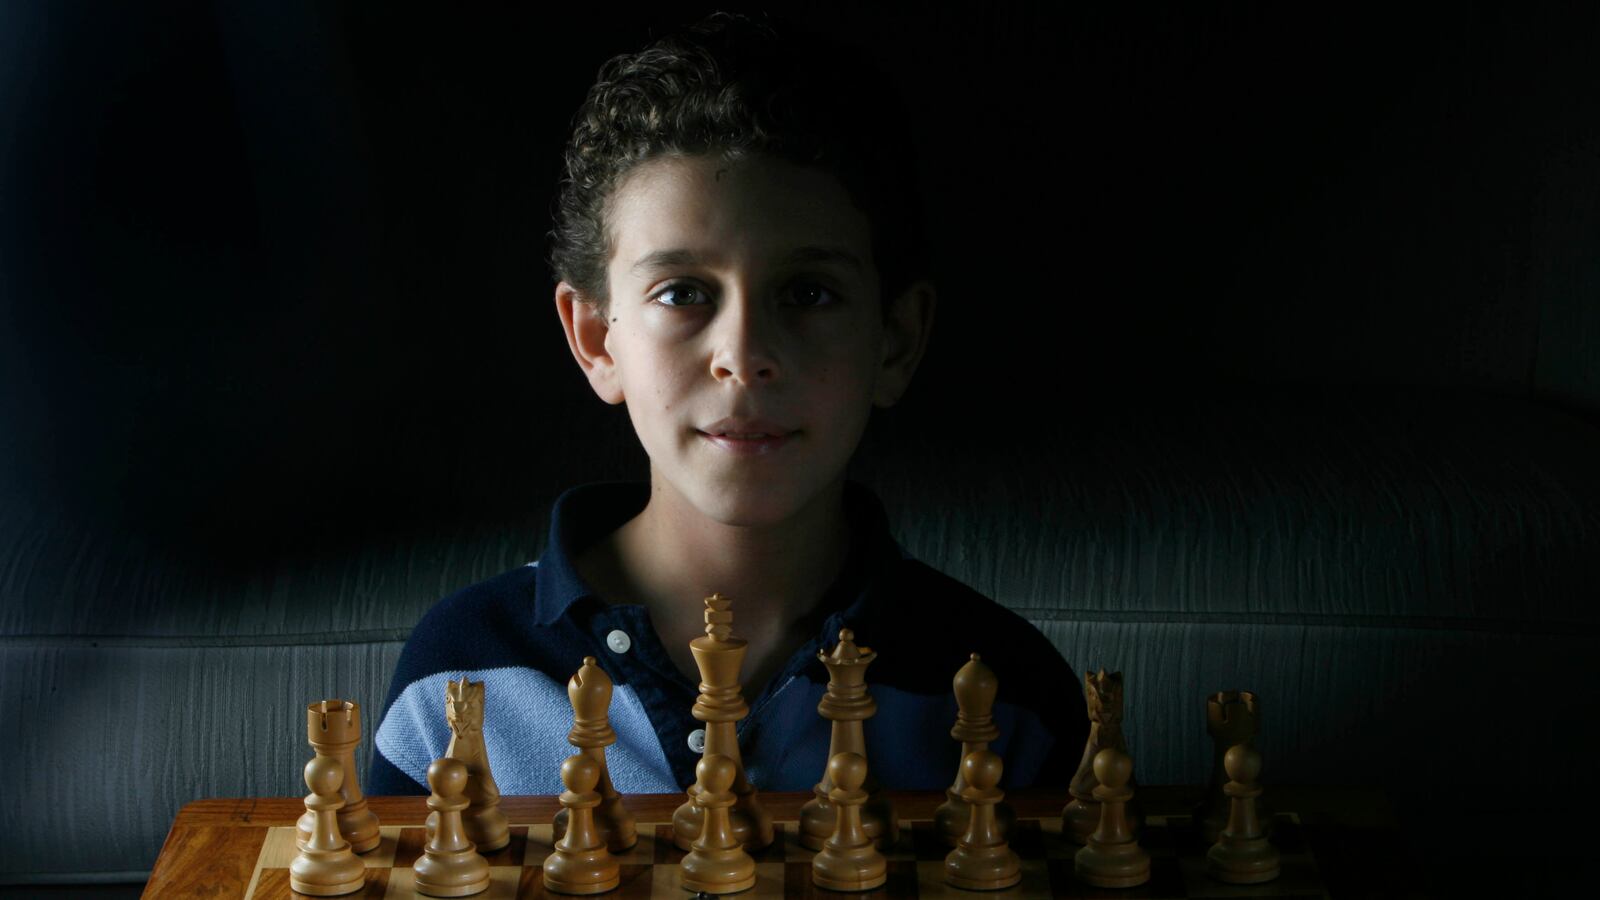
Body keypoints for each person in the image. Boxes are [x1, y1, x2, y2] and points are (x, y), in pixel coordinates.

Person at [367, 11, 1087, 797]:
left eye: (808, 293)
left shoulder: (1007, 693)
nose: (744, 358)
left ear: (896, 341)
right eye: (682, 293)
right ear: (598, 340)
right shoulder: (459, 675)